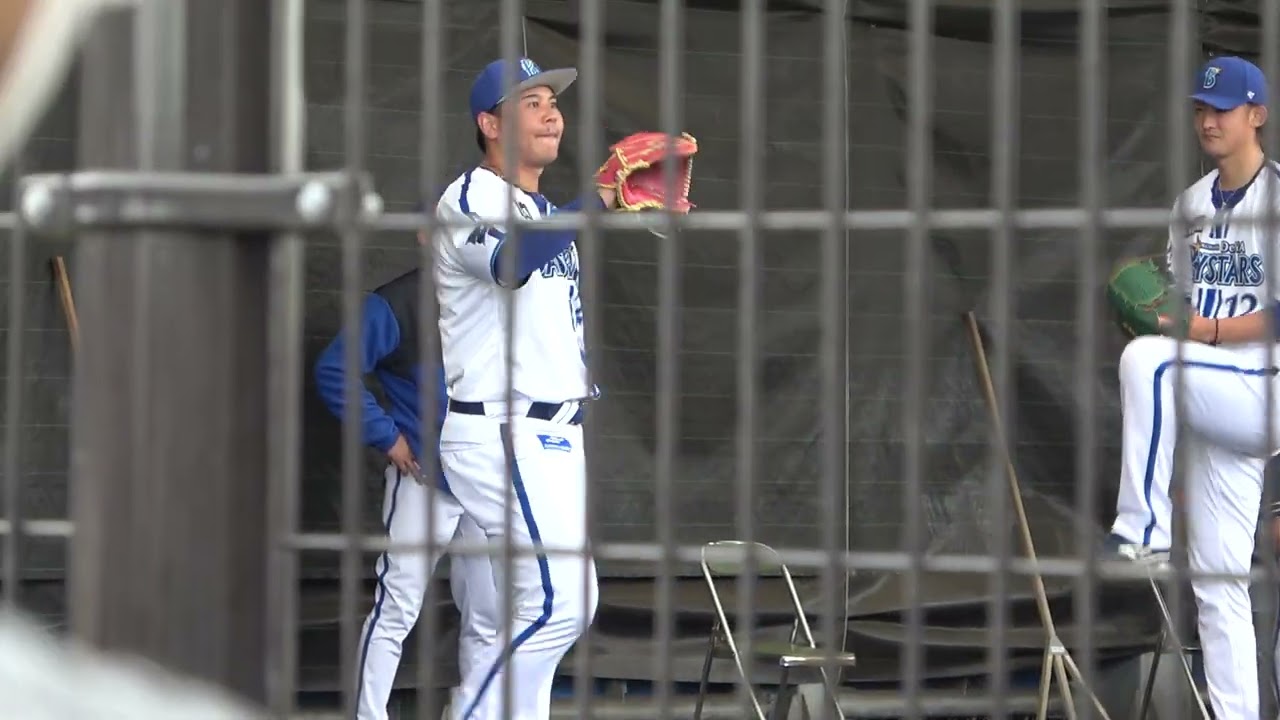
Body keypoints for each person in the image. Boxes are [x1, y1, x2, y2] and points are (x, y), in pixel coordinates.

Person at [430, 56, 616, 720]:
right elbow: (510, 261)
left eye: (553, 102)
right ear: (489, 124)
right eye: (530, 103)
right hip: (503, 427)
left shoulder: (541, 210)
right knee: (560, 605)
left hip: (551, 432)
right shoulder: (469, 197)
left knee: (552, 607)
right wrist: (599, 198)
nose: (550, 113)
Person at [1104, 55, 1279, 719]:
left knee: (1147, 361)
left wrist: (1206, 330)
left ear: (1257, 114)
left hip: (1265, 386)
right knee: (1217, 584)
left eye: (1223, 108)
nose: (1208, 120)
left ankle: (1141, 531)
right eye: (1201, 109)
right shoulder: (1191, 205)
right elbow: (1175, 305)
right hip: (1211, 393)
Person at [313, 270, 499, 720]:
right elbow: (334, 370)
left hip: (487, 479)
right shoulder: (398, 301)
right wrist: (388, 437)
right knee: (397, 608)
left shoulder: (499, 290)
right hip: (425, 479)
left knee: (489, 615)